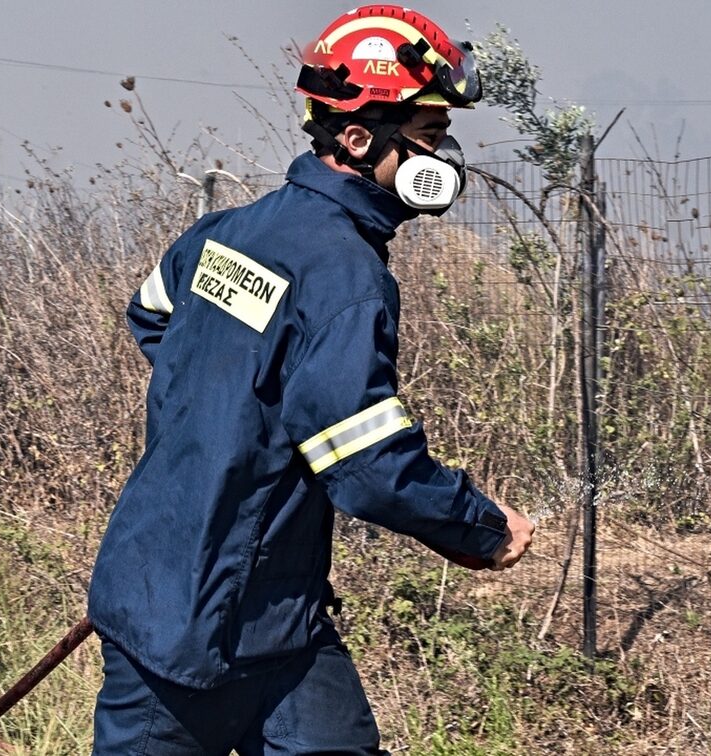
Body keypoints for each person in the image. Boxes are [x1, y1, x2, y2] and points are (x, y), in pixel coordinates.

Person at [87, 5, 535, 753]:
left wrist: (235, 406)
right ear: (359, 138)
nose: (443, 160)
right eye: (428, 138)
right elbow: (367, 468)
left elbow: (153, 316)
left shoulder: (227, 231)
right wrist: (482, 529)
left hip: (271, 623)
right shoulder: (345, 279)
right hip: (188, 633)